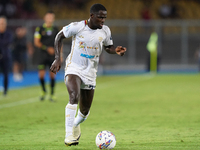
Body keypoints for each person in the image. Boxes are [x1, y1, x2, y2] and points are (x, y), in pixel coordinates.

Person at [50, 3, 127, 146]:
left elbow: (108, 47)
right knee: (74, 96)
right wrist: (57, 58)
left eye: (104, 18)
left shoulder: (105, 31)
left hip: (91, 71)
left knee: (84, 111)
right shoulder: (77, 27)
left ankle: (75, 124)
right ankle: (69, 136)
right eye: (100, 18)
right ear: (92, 16)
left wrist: (115, 49)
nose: (103, 21)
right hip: (74, 67)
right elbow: (59, 36)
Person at [34, 11, 59, 101]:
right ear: (45, 18)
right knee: (41, 75)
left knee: (52, 75)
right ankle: (43, 91)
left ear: (53, 19)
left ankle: (52, 94)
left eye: (51, 17)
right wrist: (47, 49)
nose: (49, 19)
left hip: (52, 55)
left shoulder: (55, 29)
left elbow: (60, 43)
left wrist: (60, 55)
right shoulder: (39, 29)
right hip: (42, 55)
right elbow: (36, 42)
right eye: (48, 17)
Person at [0, 16, 13, 96]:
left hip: (6, 56)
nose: (1, 25)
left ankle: (5, 90)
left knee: (6, 74)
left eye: (3, 23)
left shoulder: (9, 33)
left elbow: (7, 42)